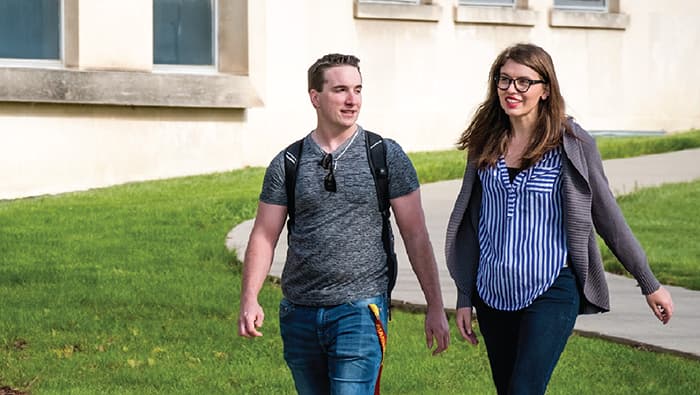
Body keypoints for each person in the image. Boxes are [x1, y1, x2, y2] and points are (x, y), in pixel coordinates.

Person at [445, 43, 674, 395]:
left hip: (551, 285)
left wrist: (648, 281)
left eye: (524, 82)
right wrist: (464, 295)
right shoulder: (486, 142)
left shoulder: (572, 143)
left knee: (525, 388)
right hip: (492, 291)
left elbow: (608, 217)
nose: (511, 90)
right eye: (504, 80)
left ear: (545, 89)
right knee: (508, 388)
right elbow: (473, 225)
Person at [237, 53, 450, 394]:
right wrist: (250, 298)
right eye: (340, 90)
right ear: (315, 97)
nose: (352, 100)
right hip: (299, 312)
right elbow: (264, 235)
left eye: (358, 89)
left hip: (360, 311)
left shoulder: (384, 155)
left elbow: (416, 234)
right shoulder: (288, 162)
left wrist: (435, 306)